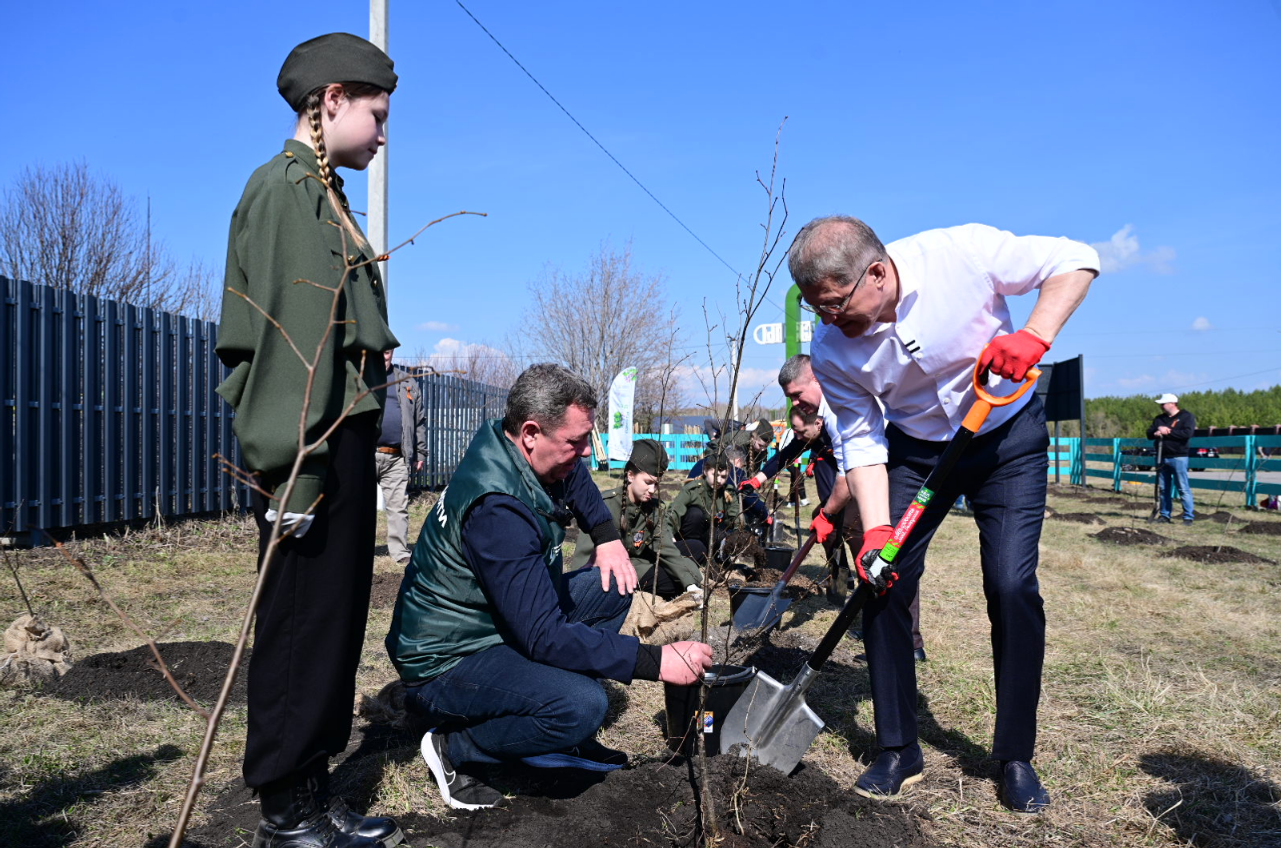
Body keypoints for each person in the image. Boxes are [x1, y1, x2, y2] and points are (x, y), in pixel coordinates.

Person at [788, 216, 1097, 813]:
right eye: (817, 311)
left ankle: (1014, 755)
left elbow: (1076, 260)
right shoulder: (831, 348)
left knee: (1010, 583)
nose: (830, 322)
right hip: (914, 450)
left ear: (876, 272)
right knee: (881, 576)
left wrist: (1034, 334)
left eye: (836, 305)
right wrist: (877, 530)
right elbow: (859, 435)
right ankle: (898, 747)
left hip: (1006, 434)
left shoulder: (960, 253)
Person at [215, 33, 404, 848]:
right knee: (298, 625)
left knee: (331, 624)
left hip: (341, 442)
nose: (384, 132)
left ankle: (315, 792)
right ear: (331, 101)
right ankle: (285, 814)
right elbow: (290, 347)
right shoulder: (286, 192)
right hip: (311, 449)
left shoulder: (324, 193)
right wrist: (293, 477)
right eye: (376, 113)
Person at [385, 364, 713, 810]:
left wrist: (607, 536)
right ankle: (455, 747)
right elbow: (543, 635)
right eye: (575, 443)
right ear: (532, 433)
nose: (584, 454)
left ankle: (545, 709)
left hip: (491, 622)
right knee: (580, 706)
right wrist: (655, 661)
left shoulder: (511, 443)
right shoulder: (498, 510)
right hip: (445, 658)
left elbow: (576, 478)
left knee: (614, 585)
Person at [569, 438, 703, 601]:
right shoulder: (606, 505)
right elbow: (584, 555)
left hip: (641, 560)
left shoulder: (654, 508)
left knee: (696, 554)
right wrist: (579, 590)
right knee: (672, 581)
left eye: (656, 484)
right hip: (616, 568)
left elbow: (666, 547)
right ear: (631, 475)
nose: (652, 490)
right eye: (648, 482)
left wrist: (690, 584)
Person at [376, 349, 428, 563]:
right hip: (365, 454)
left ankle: (399, 553)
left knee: (398, 506)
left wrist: (421, 452)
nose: (384, 356)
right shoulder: (363, 378)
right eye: (380, 352)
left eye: (387, 352)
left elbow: (419, 421)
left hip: (397, 456)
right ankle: (354, 550)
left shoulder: (407, 382)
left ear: (393, 353)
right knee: (356, 505)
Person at [669, 447, 743, 565]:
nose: (718, 480)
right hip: (688, 535)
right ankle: (692, 555)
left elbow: (735, 517)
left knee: (720, 534)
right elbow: (674, 512)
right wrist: (668, 534)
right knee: (695, 514)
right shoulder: (693, 489)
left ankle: (714, 558)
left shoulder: (728, 493)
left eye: (723, 477)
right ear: (705, 471)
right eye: (715, 475)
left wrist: (737, 536)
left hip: (709, 535)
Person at [1146, 393, 1196, 525]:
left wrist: (1168, 432)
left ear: (1172, 403)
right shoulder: (1159, 419)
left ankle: (1188, 516)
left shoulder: (1186, 416)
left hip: (1179, 456)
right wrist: (1157, 431)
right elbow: (1149, 434)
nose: (1162, 406)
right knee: (1164, 488)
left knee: (1183, 488)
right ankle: (1165, 515)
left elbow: (1187, 433)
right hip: (1162, 456)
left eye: (1163, 404)